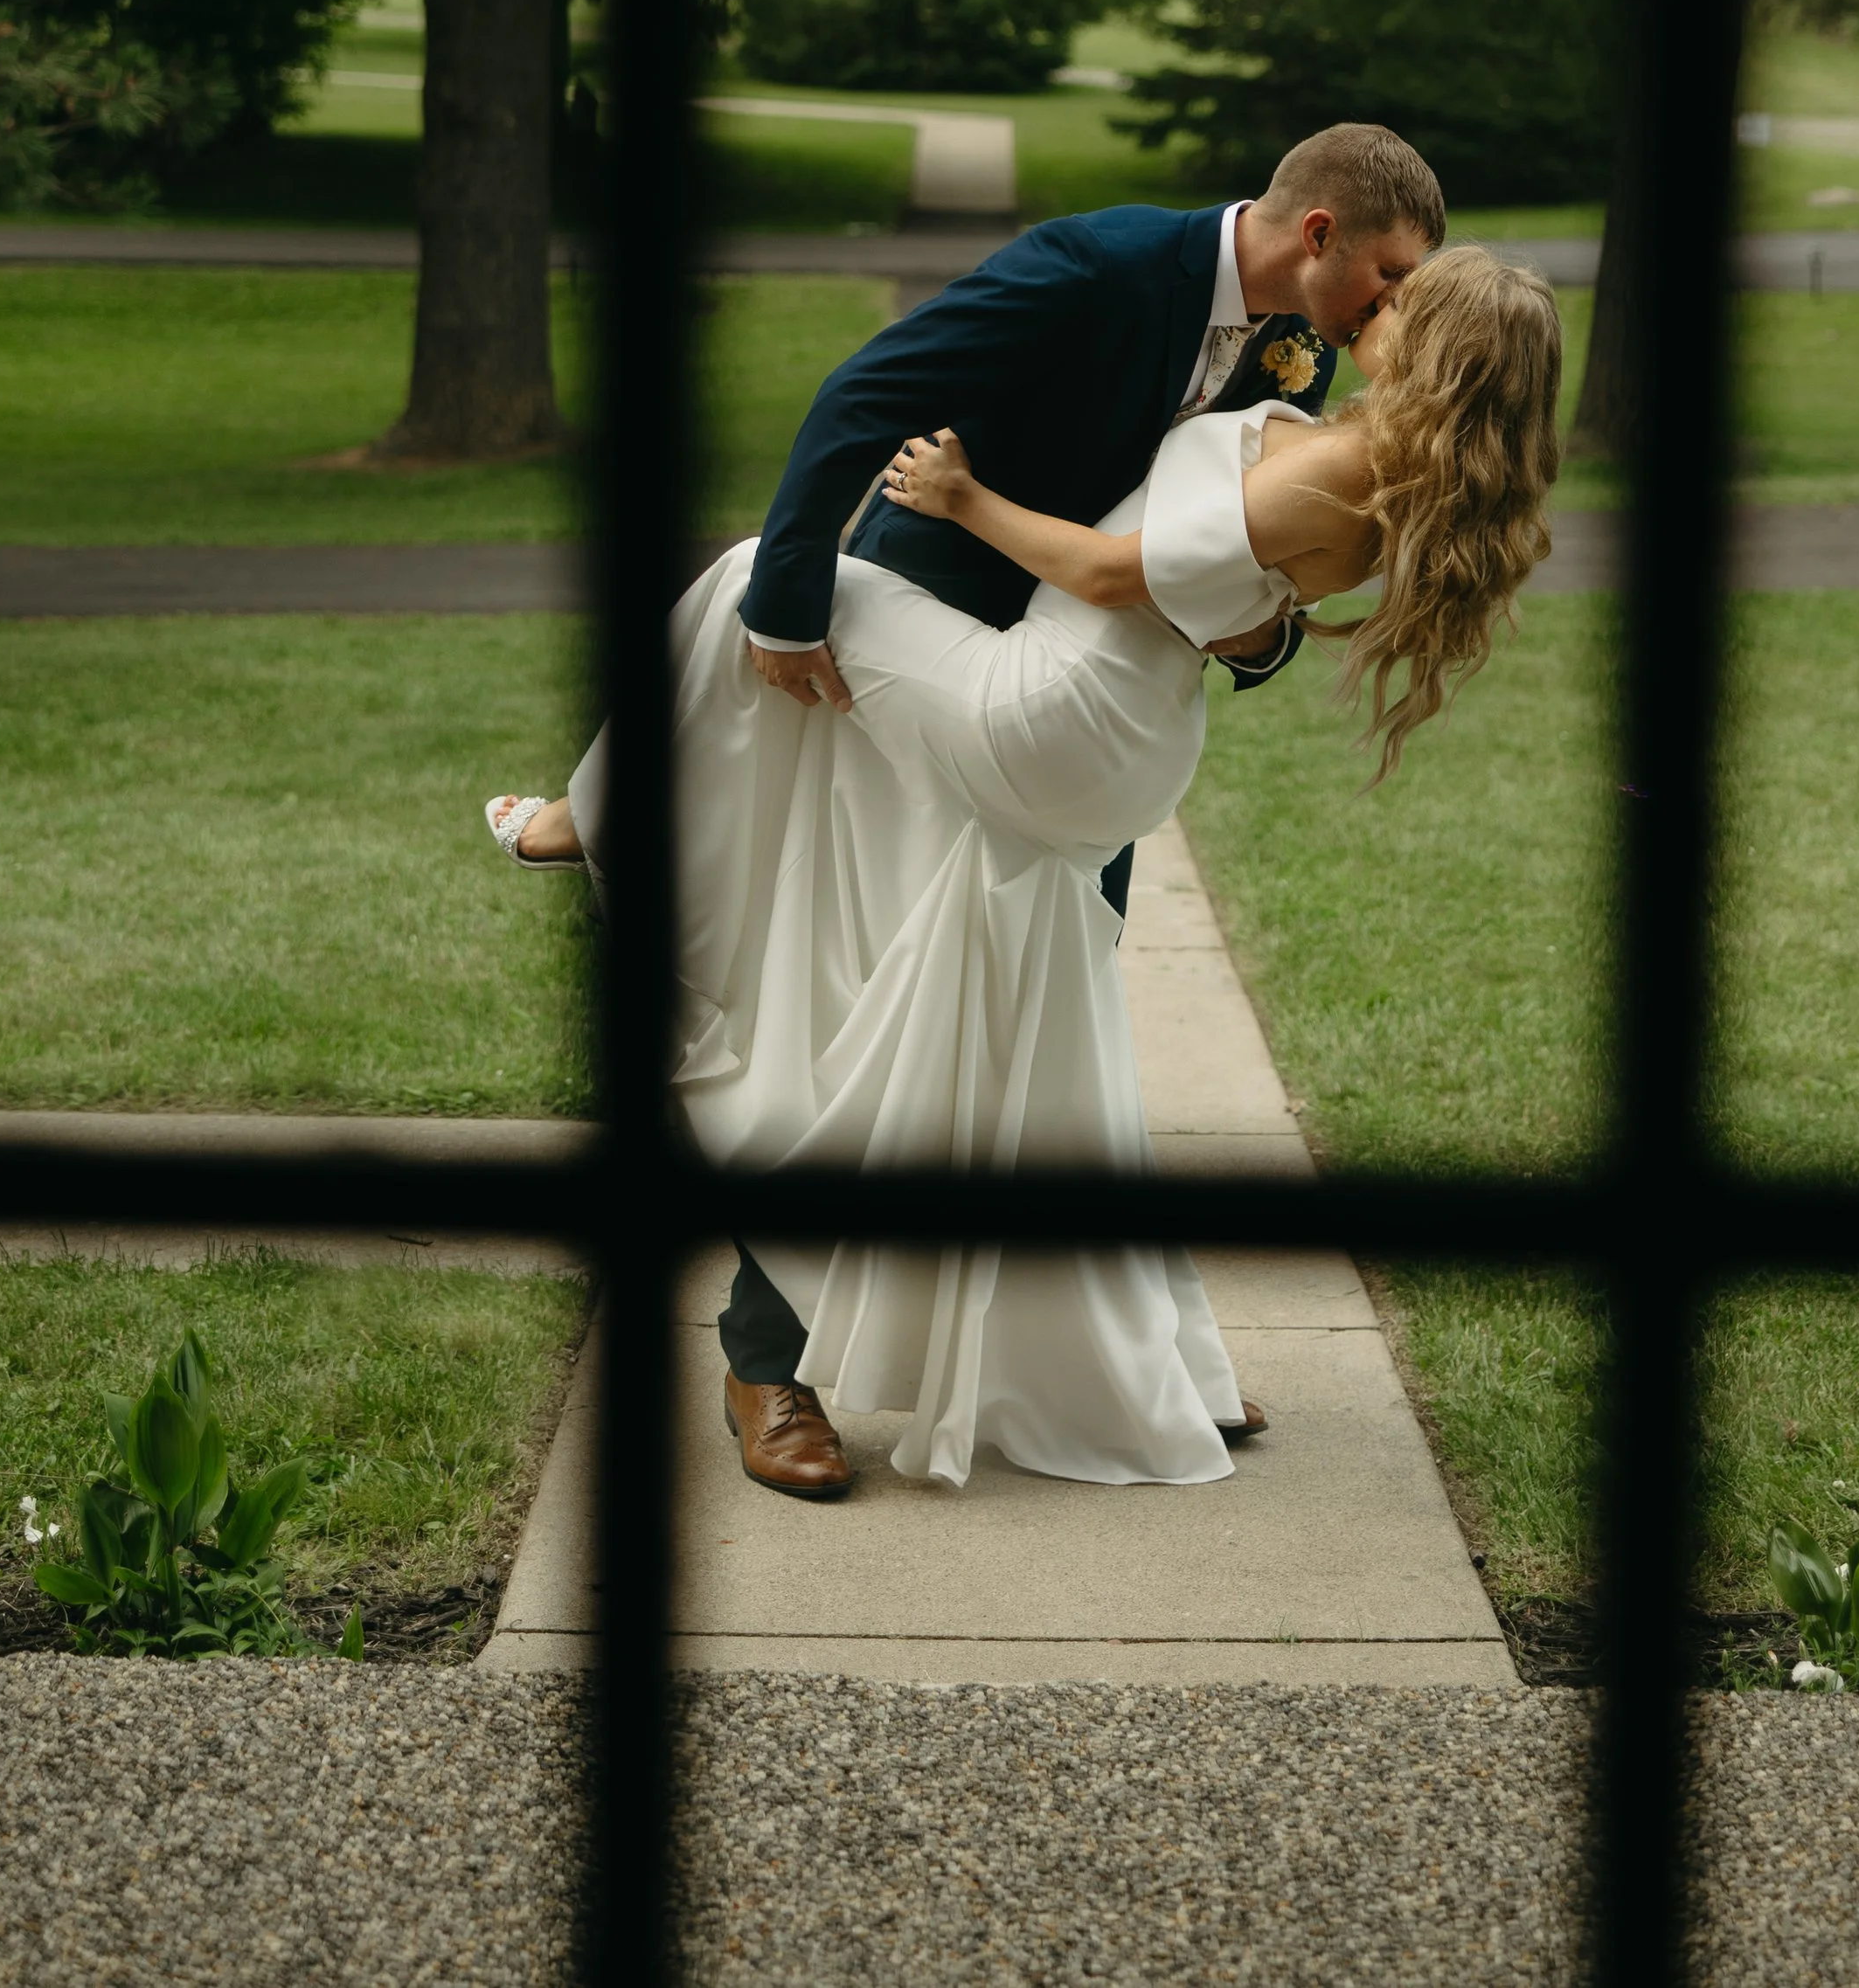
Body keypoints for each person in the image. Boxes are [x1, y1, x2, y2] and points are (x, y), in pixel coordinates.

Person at [489, 213, 1562, 1505]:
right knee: (1016, 1038)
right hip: (1062, 707)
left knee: (748, 621)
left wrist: (967, 498)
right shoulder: (1119, 280)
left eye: (1410, 301)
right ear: (1321, 233)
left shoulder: (1320, 392)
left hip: (1046, 707)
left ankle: (584, 813)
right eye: (1388, 278)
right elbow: (867, 393)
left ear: (1438, 357)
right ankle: (1001, 1363)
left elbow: (1155, 577)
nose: (1377, 309)